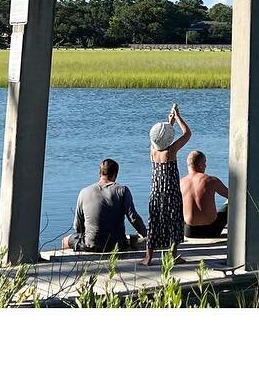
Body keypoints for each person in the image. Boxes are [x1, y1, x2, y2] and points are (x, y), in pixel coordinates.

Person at [62, 158, 147, 253]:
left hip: (91, 244)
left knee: (65, 240)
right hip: (117, 244)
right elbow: (133, 218)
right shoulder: (122, 190)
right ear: (115, 174)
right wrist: (146, 235)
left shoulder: (84, 192)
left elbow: (77, 225)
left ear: (100, 173)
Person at [145, 102, 192, 266]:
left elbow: (161, 138)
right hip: (171, 192)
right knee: (173, 222)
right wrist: (178, 118)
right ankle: (173, 255)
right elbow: (187, 134)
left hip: (156, 192)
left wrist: (169, 123)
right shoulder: (170, 152)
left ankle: (148, 257)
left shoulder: (153, 150)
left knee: (154, 222)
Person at [181, 150, 230, 237]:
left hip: (189, 232)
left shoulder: (181, 183)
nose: (205, 166)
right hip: (211, 230)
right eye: (204, 163)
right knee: (230, 202)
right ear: (199, 165)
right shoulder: (211, 180)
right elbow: (233, 196)